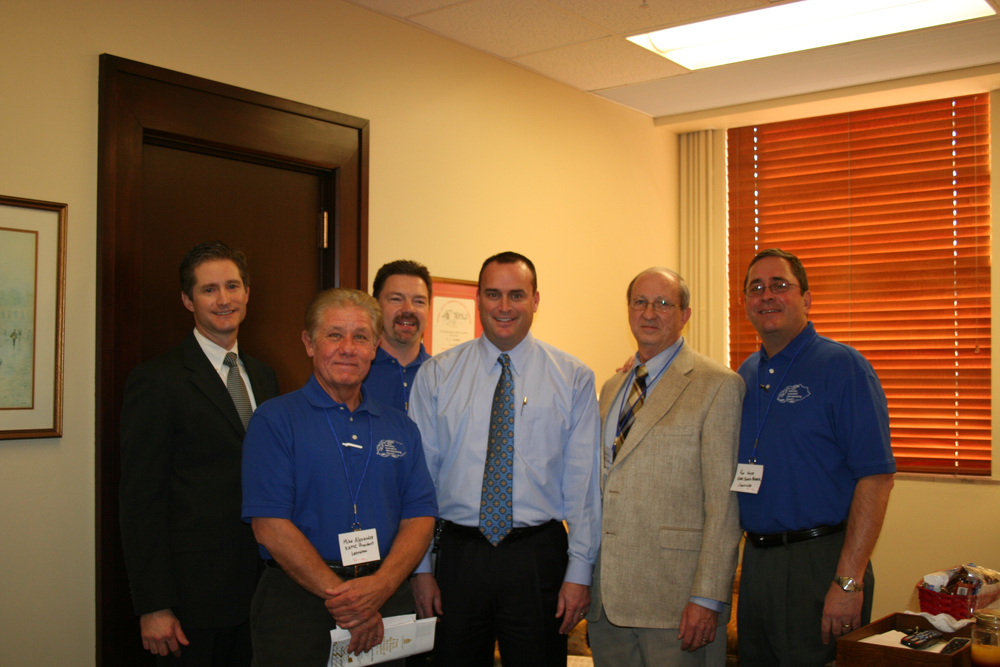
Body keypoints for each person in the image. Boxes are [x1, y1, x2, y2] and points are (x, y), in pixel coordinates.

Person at [408, 251, 602, 667]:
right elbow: (420, 481)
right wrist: (421, 567)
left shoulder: (573, 378)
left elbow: (583, 486)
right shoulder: (437, 375)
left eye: (516, 294)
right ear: (478, 299)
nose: (504, 306)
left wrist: (579, 572)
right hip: (459, 555)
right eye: (493, 294)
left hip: (537, 557)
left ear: (535, 299)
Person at [241, 288, 437, 666]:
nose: (348, 348)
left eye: (361, 337)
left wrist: (377, 590)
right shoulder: (274, 420)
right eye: (334, 335)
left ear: (375, 347)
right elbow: (269, 526)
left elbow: (420, 517)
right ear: (309, 343)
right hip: (298, 603)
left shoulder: (401, 427)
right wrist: (349, 602)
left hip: (386, 595)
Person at [119, 241, 280, 665]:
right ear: (188, 301)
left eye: (232, 286)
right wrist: (152, 605)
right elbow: (140, 501)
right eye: (209, 290)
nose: (224, 299)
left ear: (248, 293)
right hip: (193, 602)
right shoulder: (156, 380)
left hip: (262, 590)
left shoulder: (264, 376)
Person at [735, 248, 895, 666]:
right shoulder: (744, 375)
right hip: (757, 562)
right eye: (756, 288)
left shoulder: (843, 367)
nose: (766, 295)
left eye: (779, 285)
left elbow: (877, 478)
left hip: (819, 561)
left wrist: (848, 581)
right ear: (745, 304)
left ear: (806, 299)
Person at [586, 268, 744, 667]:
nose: (650, 312)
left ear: (685, 314)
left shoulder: (717, 385)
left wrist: (707, 598)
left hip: (676, 602)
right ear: (628, 311)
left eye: (663, 303)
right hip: (608, 598)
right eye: (640, 302)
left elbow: (725, 506)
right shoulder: (612, 387)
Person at [364, 260, 433, 412]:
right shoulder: (357, 372)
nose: (408, 309)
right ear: (375, 306)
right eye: (396, 299)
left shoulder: (441, 375)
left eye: (419, 301)